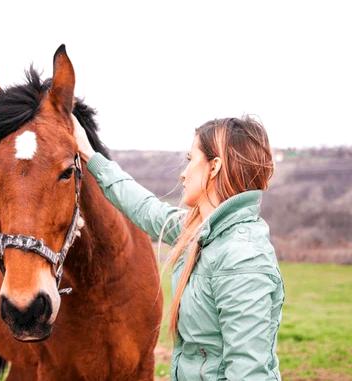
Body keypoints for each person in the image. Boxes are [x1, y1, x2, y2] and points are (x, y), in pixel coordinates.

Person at [72, 115, 285, 380]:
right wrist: (90, 156)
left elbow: (249, 372)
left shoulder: (242, 258)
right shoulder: (203, 232)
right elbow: (147, 209)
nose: (183, 173)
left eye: (190, 160)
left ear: (214, 166)